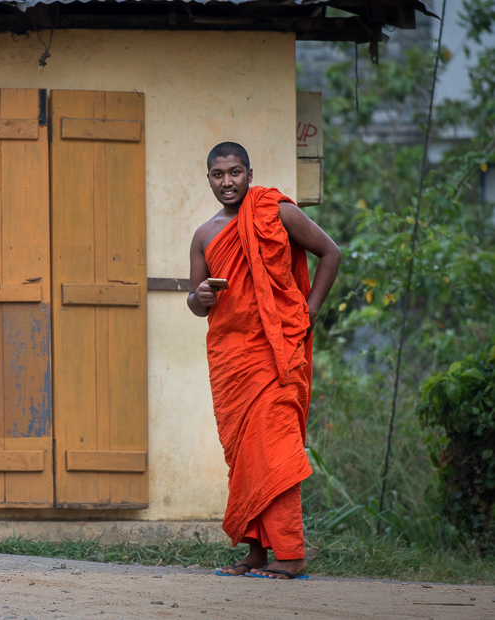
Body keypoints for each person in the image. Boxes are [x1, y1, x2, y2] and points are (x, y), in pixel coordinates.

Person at [187, 142, 341, 579]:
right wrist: (198, 297)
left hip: (276, 354)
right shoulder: (204, 234)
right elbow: (197, 303)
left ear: (250, 173)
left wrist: (309, 310)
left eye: (235, 172)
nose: (227, 182)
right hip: (232, 358)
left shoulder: (277, 211)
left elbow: (331, 253)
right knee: (245, 457)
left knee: (275, 453)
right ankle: (257, 552)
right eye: (218, 174)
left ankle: (290, 555)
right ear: (209, 178)